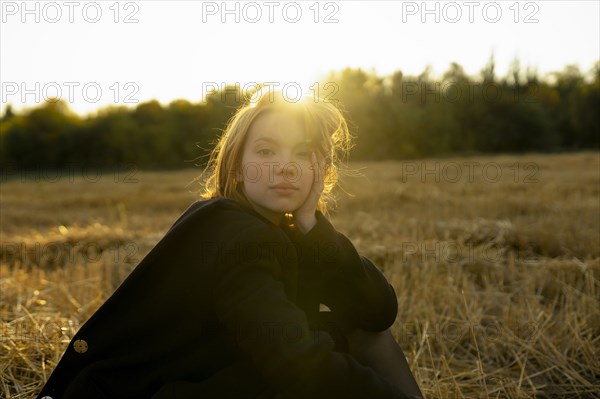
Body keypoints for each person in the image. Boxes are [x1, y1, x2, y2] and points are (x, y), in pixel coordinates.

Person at [36, 88, 423, 399]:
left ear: (321, 170)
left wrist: (310, 223)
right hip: (144, 392)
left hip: (195, 378)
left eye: (303, 154)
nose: (285, 166)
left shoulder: (280, 229)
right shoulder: (236, 233)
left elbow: (376, 311)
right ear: (237, 166)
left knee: (349, 329)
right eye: (266, 151)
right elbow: (297, 364)